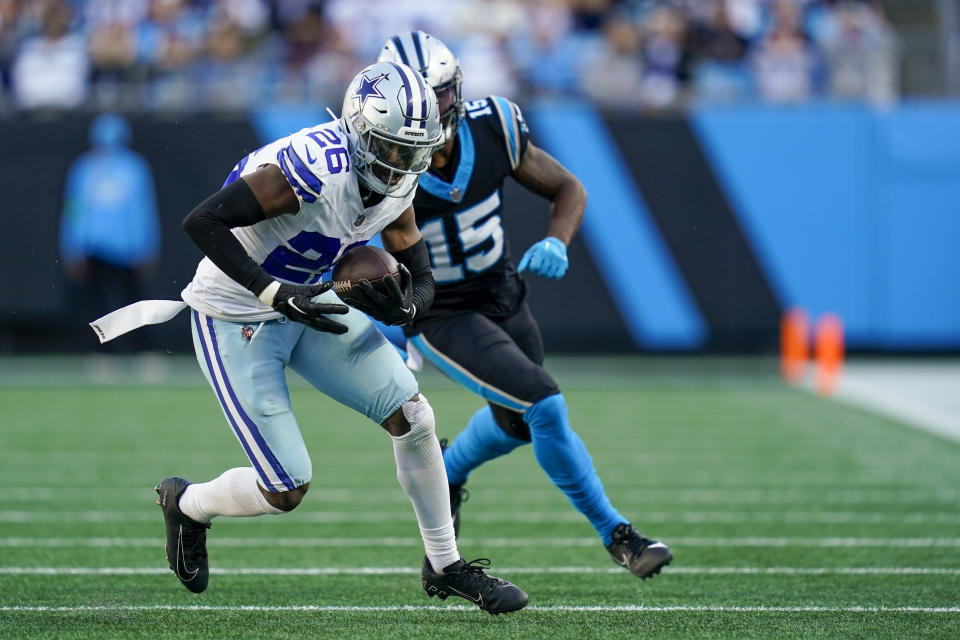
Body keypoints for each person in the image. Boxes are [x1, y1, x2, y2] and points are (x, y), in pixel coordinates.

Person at [121, 61, 526, 613]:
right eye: (392, 148)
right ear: (359, 131)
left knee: (414, 416)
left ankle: (446, 564)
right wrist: (271, 293)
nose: (403, 163)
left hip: (310, 302)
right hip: (237, 311)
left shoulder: (397, 177)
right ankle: (187, 504)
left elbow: (416, 260)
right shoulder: (313, 167)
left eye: (413, 151)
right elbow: (202, 222)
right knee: (285, 488)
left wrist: (413, 302)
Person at [378, 32, 672, 580]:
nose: (435, 108)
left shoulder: (494, 127)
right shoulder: (382, 162)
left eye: (441, 94)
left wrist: (558, 239)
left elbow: (568, 189)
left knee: (516, 423)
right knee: (544, 406)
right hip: (441, 313)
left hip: (503, 293)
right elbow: (346, 246)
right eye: (420, 97)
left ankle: (448, 471)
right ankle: (621, 536)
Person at [60, 112, 160, 353]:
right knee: (97, 304)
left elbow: (143, 210)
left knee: (133, 303)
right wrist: (72, 247)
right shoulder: (83, 168)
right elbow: (74, 210)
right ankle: (101, 353)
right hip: (95, 247)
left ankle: (142, 350)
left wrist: (146, 246)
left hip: (127, 248)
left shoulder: (134, 167)